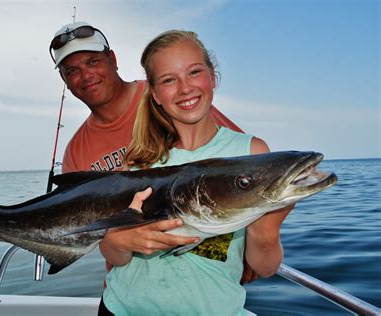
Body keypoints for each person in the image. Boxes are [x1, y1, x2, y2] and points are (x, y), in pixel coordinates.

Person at [0, 22, 246, 255]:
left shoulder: (170, 96)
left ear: (112, 60)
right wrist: (1, 230)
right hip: (126, 284)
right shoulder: (76, 150)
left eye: (92, 61)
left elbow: (237, 172)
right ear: (64, 80)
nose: (86, 75)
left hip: (205, 267)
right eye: (72, 70)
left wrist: (245, 251)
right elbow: (71, 231)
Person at [98, 30, 293, 315]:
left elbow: (264, 267)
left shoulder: (250, 152)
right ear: (155, 94)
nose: (185, 88)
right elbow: (115, 256)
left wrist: (268, 228)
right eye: (169, 80)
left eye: (194, 72)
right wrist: (117, 241)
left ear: (212, 77)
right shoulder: (137, 163)